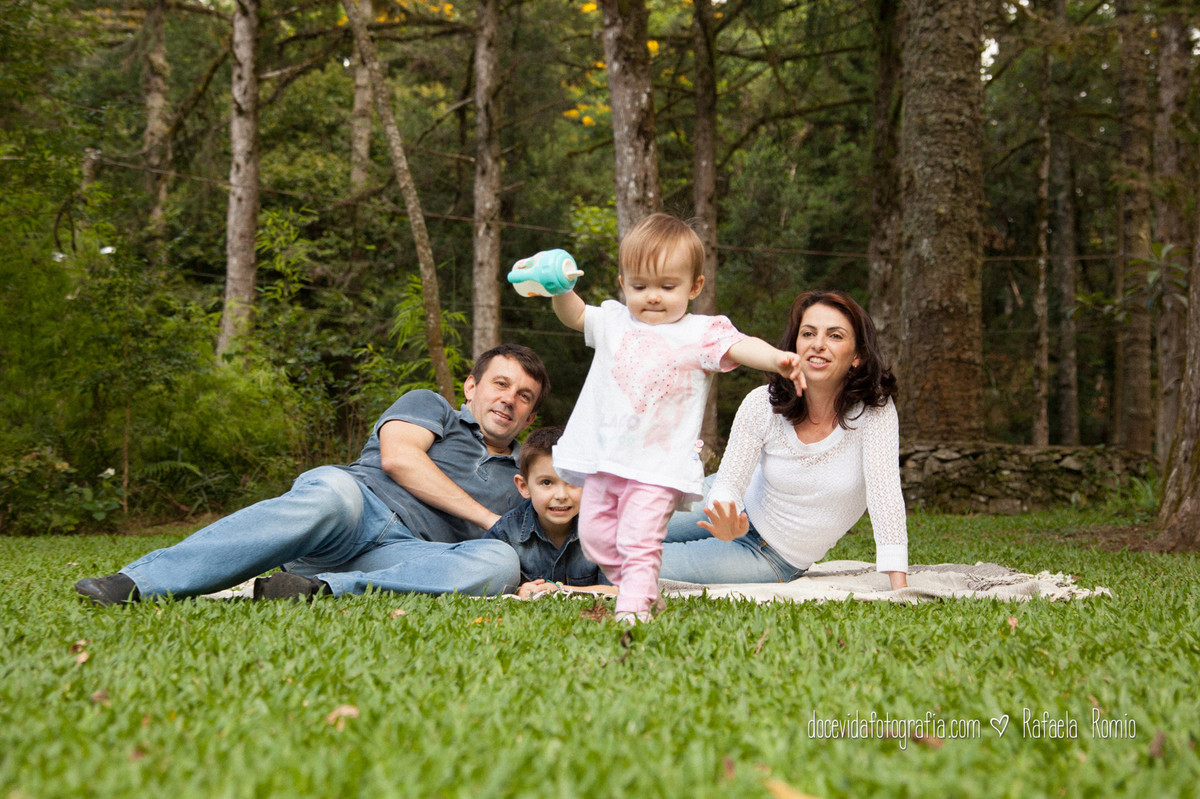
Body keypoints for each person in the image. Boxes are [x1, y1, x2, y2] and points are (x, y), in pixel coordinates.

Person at [74, 344, 549, 605]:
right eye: (500, 384)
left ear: (530, 417)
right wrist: (490, 521)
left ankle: (316, 588)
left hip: (404, 557)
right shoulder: (432, 407)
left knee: (499, 565)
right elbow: (399, 460)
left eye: (524, 396)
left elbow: (533, 545)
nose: (509, 399)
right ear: (472, 387)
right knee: (333, 496)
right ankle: (139, 582)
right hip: (355, 509)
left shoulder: (523, 482)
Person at [526, 212, 805, 623]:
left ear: (694, 287)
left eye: (667, 286)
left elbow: (742, 346)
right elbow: (575, 315)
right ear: (623, 284)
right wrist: (560, 289)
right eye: (640, 286)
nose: (652, 296)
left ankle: (634, 607)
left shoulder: (701, 332)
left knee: (639, 538)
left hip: (658, 466)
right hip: (606, 461)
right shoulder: (614, 321)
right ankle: (644, 590)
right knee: (597, 539)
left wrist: (777, 359)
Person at [659, 290, 909, 589]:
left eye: (835, 336)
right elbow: (728, 482)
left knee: (629, 565)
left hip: (769, 555)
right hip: (729, 505)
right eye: (808, 333)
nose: (818, 345)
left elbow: (886, 495)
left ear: (858, 356)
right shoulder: (762, 403)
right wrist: (724, 511)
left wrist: (900, 586)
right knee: (615, 526)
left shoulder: (874, 412)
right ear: (794, 346)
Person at [482, 426, 614, 600]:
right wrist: (517, 590)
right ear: (524, 487)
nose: (561, 496)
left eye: (572, 481)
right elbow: (485, 582)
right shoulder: (505, 533)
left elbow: (620, 590)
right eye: (546, 482)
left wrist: (560, 590)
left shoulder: (603, 530)